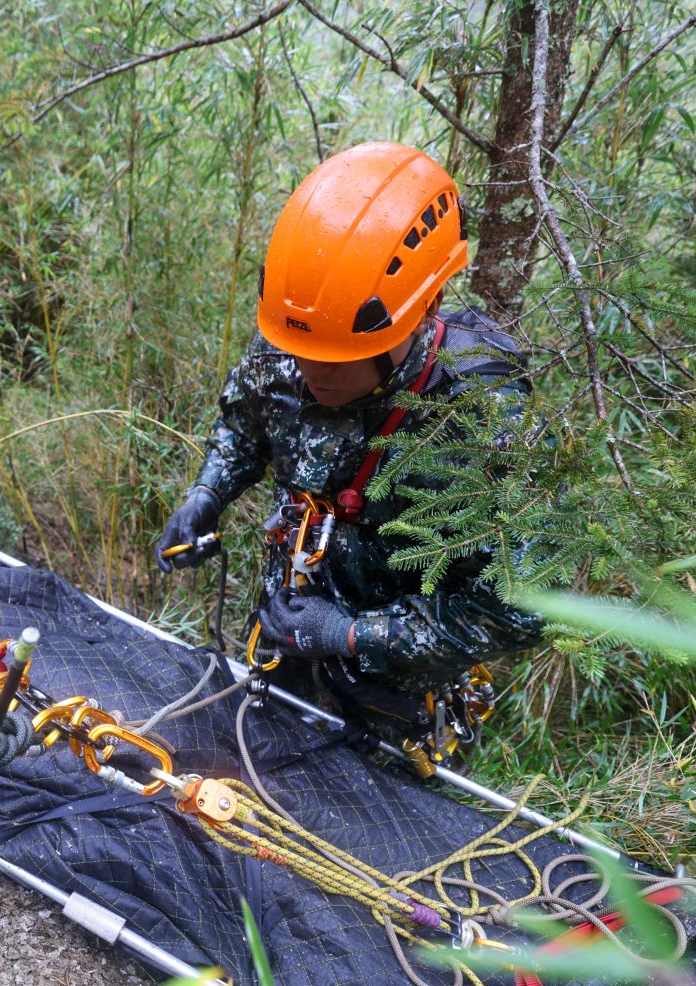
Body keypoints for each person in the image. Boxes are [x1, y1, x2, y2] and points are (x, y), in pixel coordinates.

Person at [156, 142, 543, 767]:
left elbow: (521, 606)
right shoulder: (297, 332)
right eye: (302, 353)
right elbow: (245, 425)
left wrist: (352, 634)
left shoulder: (483, 414)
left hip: (395, 713)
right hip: (282, 651)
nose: (310, 374)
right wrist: (206, 494)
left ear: (423, 313)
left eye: (335, 360)